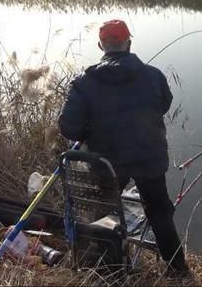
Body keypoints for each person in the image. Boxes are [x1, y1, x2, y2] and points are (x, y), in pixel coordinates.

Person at [58, 19, 189, 276]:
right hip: (149, 157)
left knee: (103, 211)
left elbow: (68, 128)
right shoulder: (153, 75)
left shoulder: (83, 82)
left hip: (106, 163)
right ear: (128, 43)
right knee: (159, 212)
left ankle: (107, 266)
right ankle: (179, 269)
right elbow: (164, 105)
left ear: (101, 45)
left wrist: (89, 132)